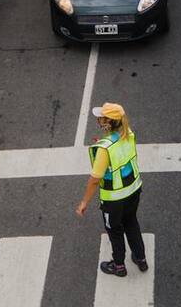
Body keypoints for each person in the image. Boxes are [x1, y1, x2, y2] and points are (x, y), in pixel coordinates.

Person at [75, 102, 147, 277]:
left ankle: (119, 266)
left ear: (107, 122)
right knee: (131, 223)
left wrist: (84, 202)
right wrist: (104, 143)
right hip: (133, 191)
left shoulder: (104, 149)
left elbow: (94, 180)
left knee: (115, 231)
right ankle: (140, 259)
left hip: (114, 200)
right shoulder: (128, 134)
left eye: (101, 117)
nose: (98, 119)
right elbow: (120, 156)